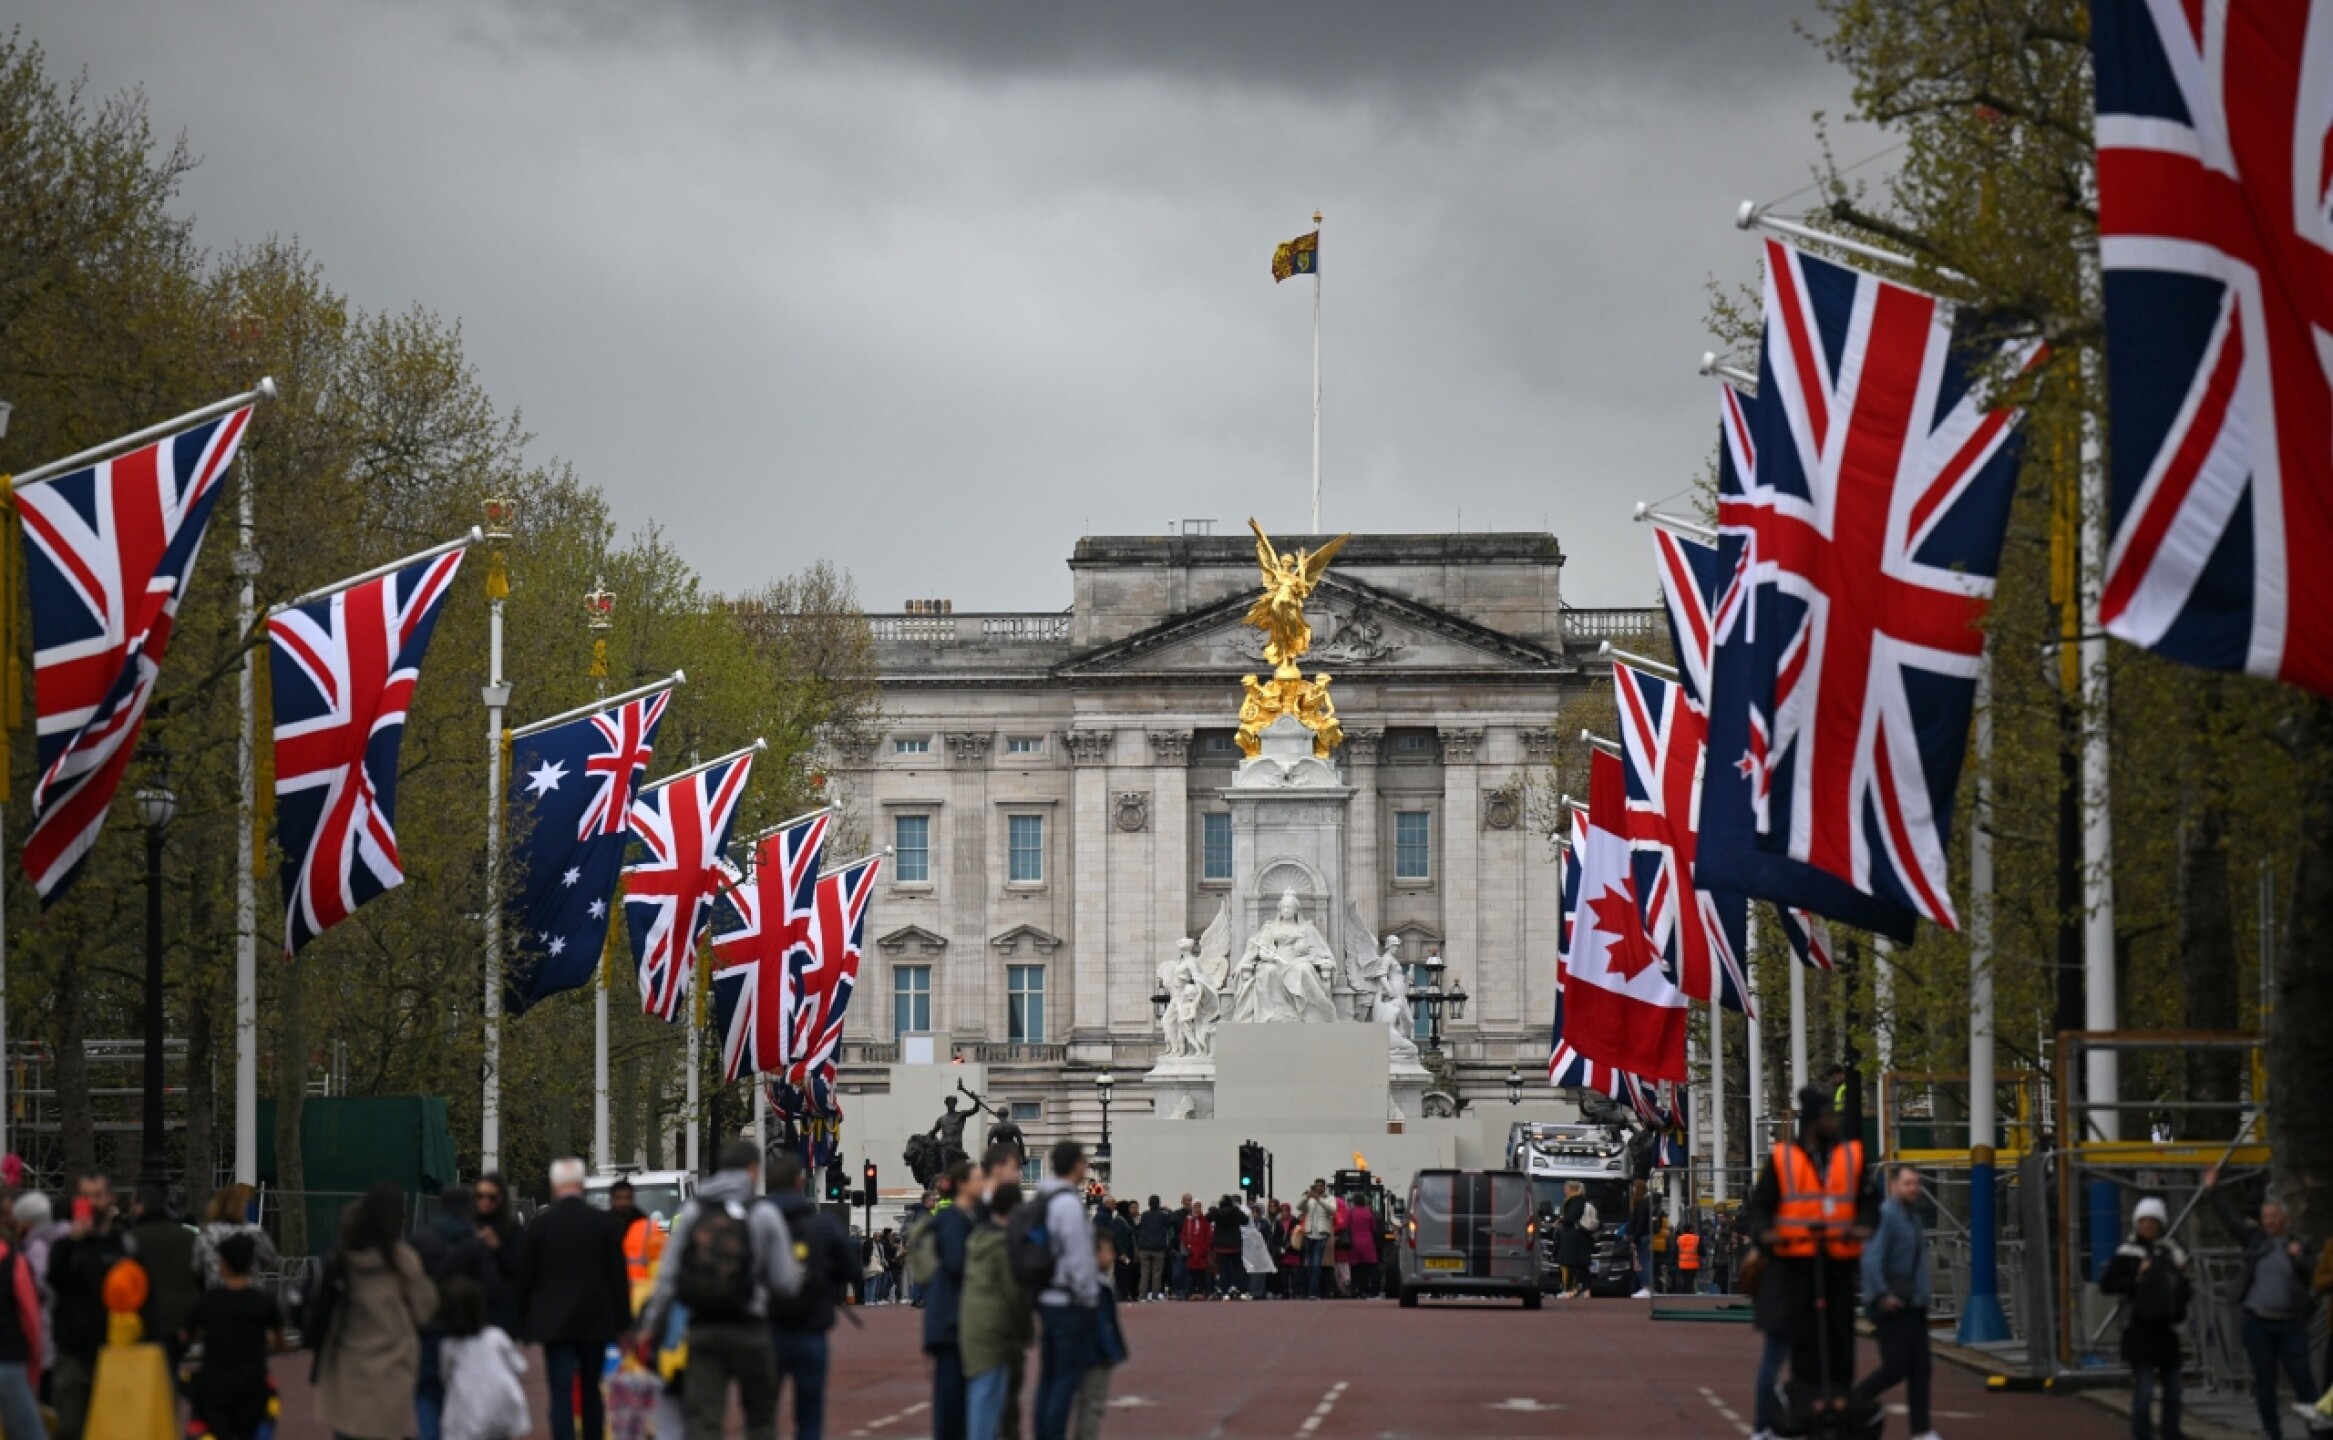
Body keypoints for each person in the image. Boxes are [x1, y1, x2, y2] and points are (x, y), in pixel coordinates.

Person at [642, 1139, 801, 1440]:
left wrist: (651, 1325)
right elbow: (784, 1282)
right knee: (761, 1418)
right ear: (752, 1169)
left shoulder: (692, 1212)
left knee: (704, 1420)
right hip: (750, 1327)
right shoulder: (763, 1214)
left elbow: (668, 1277)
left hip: (703, 1327)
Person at [1740, 1087, 1878, 1434]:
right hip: (1792, 1269)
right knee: (1788, 1349)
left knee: (1837, 1344)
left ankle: (1835, 1410)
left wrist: (1862, 1226)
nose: (1834, 1120)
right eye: (1828, 1116)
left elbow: (1869, 1203)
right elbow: (1759, 1207)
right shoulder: (1784, 1159)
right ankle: (1774, 1421)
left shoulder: (1850, 1157)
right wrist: (1766, 1233)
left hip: (1836, 1267)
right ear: (1814, 1122)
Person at [514, 1157, 630, 1440]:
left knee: (560, 1392)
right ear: (581, 1185)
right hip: (595, 1320)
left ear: (554, 1186)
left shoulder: (542, 1226)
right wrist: (624, 1323)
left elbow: (525, 1277)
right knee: (591, 1390)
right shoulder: (604, 1223)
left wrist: (522, 1320)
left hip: (555, 1323)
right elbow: (618, 1277)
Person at [316, 1183, 441, 1440]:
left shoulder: (341, 1259)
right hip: (391, 1369)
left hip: (347, 1367)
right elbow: (426, 1308)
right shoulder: (402, 1260)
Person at [2203, 1165, 2318, 1440]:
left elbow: (2312, 1275)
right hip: (2258, 1322)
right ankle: (2272, 1432)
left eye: (2274, 1216)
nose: (2269, 1221)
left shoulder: (2299, 1244)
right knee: (2264, 1382)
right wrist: (2212, 1191)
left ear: (2284, 1219)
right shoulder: (2255, 1241)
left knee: (2303, 1380)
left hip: (2290, 1323)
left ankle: (2318, 1430)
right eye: (2266, 1217)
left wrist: (2299, 1257)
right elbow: (2230, 1221)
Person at [766, 1150, 857, 1440]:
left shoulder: (754, 1222)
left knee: (762, 1411)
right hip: (811, 1327)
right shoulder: (823, 1225)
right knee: (810, 1411)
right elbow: (852, 1269)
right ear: (799, 1182)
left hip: (767, 1328)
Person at [1849, 1166, 1935, 1440]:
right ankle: (1851, 1403)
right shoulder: (1886, 1215)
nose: (1914, 1188)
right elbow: (1871, 1258)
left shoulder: (1912, 1217)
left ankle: (1921, 1430)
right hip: (1894, 1304)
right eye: (1908, 1183)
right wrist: (1881, 1294)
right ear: (1894, 1185)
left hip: (1913, 1302)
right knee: (1895, 1368)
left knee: (1921, 1368)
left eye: (1917, 1183)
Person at [2100, 1196, 2190, 1440]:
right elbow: (2107, 1284)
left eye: (2153, 1220)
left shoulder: (2172, 1251)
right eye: (2144, 1220)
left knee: (2173, 1390)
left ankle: (2171, 1432)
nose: (2148, 1225)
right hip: (2139, 1329)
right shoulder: (2127, 1252)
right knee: (2145, 1390)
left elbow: (2183, 1286)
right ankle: (2142, 1435)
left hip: (2167, 1330)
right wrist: (2136, 1279)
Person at [47, 1171, 128, 1440]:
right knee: (70, 1427)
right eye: (86, 1197)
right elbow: (53, 1277)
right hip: (73, 1353)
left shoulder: (121, 1245)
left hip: (113, 1352)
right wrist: (73, 1240)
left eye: (98, 1196)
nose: (92, 1203)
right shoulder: (65, 1245)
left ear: (110, 1200)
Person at [1033, 1140, 1100, 1440]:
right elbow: (1079, 1257)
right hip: (1068, 1300)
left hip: (1045, 1295)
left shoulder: (1042, 1198)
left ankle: (1044, 1432)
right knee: (1065, 1379)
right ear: (1075, 1164)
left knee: (1048, 1377)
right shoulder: (1069, 1204)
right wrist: (1090, 1297)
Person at [182, 1232, 279, 1440]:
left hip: (215, 1387)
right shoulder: (263, 1302)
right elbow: (281, 1340)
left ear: (224, 1263)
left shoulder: (210, 1302)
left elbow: (185, 1334)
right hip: (253, 1387)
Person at [960, 1182, 1032, 1440]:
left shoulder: (977, 1238)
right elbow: (1014, 1293)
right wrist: (1027, 1330)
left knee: (982, 1394)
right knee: (989, 1397)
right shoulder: (1003, 1245)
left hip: (973, 1326)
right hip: (996, 1327)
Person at [917, 1159, 977, 1440]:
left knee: (955, 1398)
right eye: (977, 1179)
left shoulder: (960, 1218)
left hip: (952, 1319)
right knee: (951, 1400)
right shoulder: (954, 1220)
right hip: (952, 1320)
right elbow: (957, 1263)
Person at [437, 1276, 530, 1440]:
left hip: (468, 1409)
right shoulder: (495, 1336)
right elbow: (519, 1366)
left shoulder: (449, 1346)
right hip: (502, 1404)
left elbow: (446, 1377)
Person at [125, 1181, 200, 1378]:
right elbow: (200, 1278)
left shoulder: (132, 1239)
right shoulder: (188, 1238)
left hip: (144, 1320)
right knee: (171, 1372)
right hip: (181, 1320)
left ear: (141, 1206)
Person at [1072, 1228, 1128, 1440]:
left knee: (1086, 1404)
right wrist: (1112, 1351)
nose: (1111, 1255)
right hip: (1096, 1355)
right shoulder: (1096, 1286)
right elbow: (1102, 1322)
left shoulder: (1086, 1282)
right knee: (1093, 1405)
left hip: (1090, 1353)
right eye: (1108, 1251)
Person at [196, 1184, 281, 1290]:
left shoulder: (207, 1234)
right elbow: (272, 1261)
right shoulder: (254, 1232)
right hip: (250, 1291)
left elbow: (197, 1267)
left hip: (215, 1293)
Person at [472, 1172, 521, 1333]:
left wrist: (498, 1248)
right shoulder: (467, 1225)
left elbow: (519, 1268)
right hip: (471, 1307)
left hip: (502, 1311)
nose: (485, 1202)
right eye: (480, 1196)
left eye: (491, 1197)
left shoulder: (512, 1230)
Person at [608, 1179, 665, 1315]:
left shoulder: (649, 1229)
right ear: (611, 1200)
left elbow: (661, 1270)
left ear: (633, 1199)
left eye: (627, 1198)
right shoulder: (602, 1226)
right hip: (611, 1302)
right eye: (618, 1198)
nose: (623, 1203)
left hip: (642, 1303)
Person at [1555, 1183, 1594, 1299]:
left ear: (1571, 1189)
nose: (1564, 1190)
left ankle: (1570, 1290)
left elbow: (1571, 1217)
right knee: (1582, 1265)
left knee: (1569, 1264)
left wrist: (1561, 1220)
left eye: (1566, 1188)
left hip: (1573, 1237)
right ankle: (1585, 1290)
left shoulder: (1575, 1201)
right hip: (1579, 1236)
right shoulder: (1581, 1200)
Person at [1298, 1182, 1336, 1299]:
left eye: (1321, 1186)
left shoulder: (1330, 1198)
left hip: (1321, 1234)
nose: (1319, 1188)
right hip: (1309, 1234)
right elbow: (1299, 1208)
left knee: (1316, 1264)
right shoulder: (1310, 1199)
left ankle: (1313, 1292)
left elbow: (1332, 1210)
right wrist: (1306, 1198)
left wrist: (1318, 1199)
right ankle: (1307, 1291)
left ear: (1324, 1187)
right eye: (1317, 1186)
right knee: (1308, 1264)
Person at [1134, 1196, 1175, 1301]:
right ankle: (1154, 1295)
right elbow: (1173, 1220)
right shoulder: (1163, 1216)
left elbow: (1138, 1226)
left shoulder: (1144, 1215)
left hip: (1144, 1248)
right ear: (1159, 1203)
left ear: (1149, 1203)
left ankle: (1142, 1295)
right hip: (1158, 1248)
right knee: (1157, 1274)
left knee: (1144, 1273)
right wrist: (1169, 1210)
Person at [1208, 1196, 1246, 1299]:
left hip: (1221, 1245)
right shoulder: (1235, 1211)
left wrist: (1212, 1209)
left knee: (1223, 1269)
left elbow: (1207, 1218)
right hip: (1235, 1244)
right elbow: (1245, 1220)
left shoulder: (1217, 1212)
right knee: (1238, 1268)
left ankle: (1224, 1292)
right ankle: (1242, 1290)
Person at [1178, 1199, 1212, 1301]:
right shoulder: (1188, 1220)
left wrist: (1205, 1248)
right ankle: (1192, 1292)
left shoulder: (1205, 1220)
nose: (1197, 1209)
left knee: (1202, 1273)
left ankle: (1200, 1292)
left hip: (1201, 1251)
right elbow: (1184, 1234)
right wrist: (1188, 1245)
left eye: (1199, 1207)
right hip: (1192, 1251)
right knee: (1191, 1273)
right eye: (1195, 1207)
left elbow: (1208, 1235)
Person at [1240, 1205, 1274, 1301]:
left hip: (1260, 1252)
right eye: (1253, 1212)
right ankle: (1250, 1291)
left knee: (1260, 1274)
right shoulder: (1246, 1223)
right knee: (1249, 1273)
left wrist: (1265, 1246)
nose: (1255, 1214)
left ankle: (1259, 1292)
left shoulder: (1264, 1223)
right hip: (1249, 1252)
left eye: (1257, 1212)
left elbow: (1269, 1237)